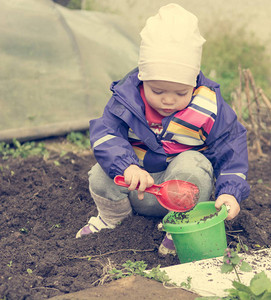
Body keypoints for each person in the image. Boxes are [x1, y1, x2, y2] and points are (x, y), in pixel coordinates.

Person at [76, 3, 250, 256]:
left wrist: (230, 192)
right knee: (100, 173)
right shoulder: (127, 100)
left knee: (193, 161)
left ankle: (179, 227)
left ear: (193, 83)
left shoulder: (208, 106)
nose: (168, 100)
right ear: (143, 80)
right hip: (137, 188)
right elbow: (106, 134)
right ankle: (115, 219)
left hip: (182, 192)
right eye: (157, 91)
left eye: (181, 93)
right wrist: (127, 166)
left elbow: (231, 148)